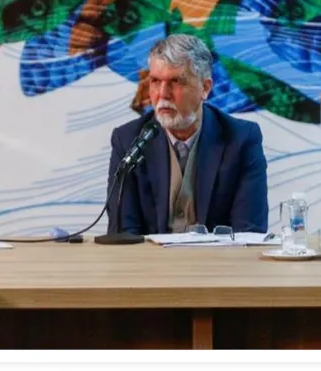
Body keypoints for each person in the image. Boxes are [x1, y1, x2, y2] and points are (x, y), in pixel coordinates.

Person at [107, 34, 269, 235]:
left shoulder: (241, 139)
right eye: (155, 81)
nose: (163, 94)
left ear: (205, 88)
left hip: (218, 255)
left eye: (176, 81)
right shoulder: (128, 141)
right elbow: (123, 234)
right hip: (150, 256)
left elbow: (249, 233)